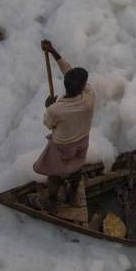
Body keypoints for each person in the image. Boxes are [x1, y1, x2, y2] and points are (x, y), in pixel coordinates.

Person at [32, 40, 94, 211]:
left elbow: (48, 125)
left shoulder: (56, 109)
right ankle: (72, 194)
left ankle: (52, 201)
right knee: (77, 166)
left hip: (62, 146)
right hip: (82, 141)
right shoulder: (89, 96)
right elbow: (68, 71)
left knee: (54, 173)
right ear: (82, 86)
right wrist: (53, 51)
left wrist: (48, 106)